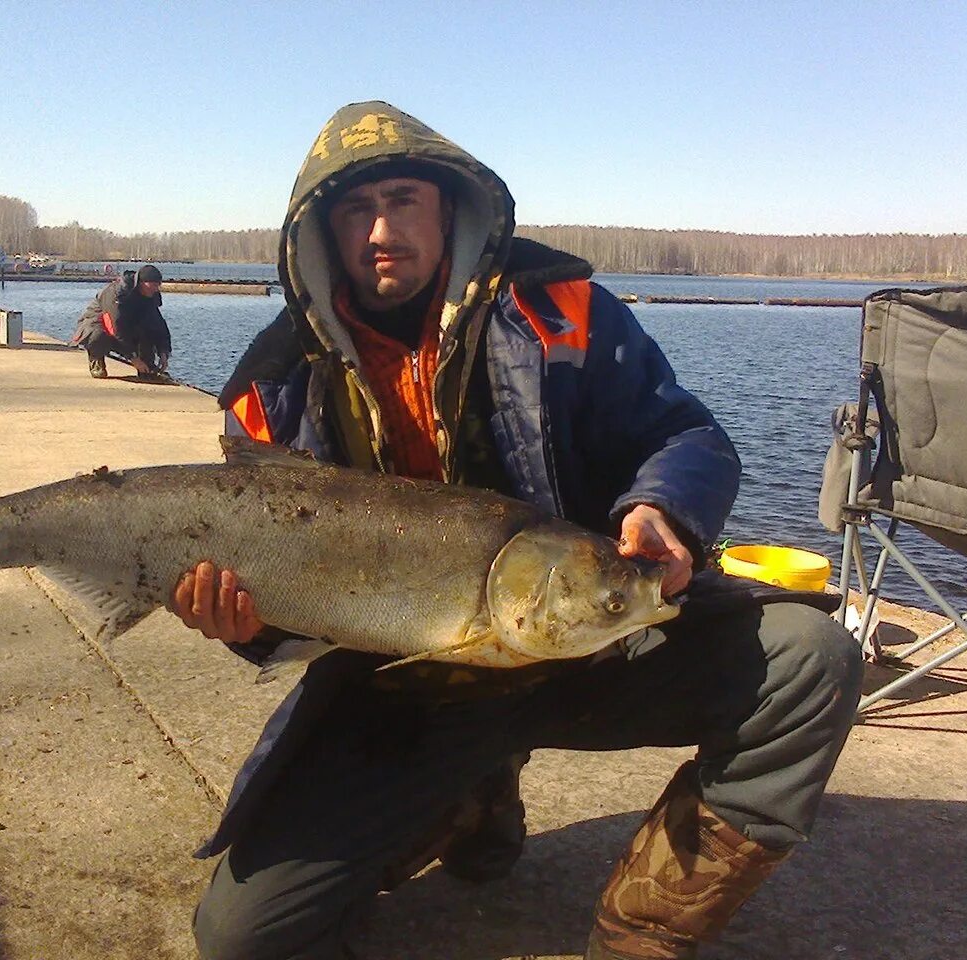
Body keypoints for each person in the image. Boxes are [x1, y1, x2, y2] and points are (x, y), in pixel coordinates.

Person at [174, 101, 863, 960]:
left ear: (448, 208)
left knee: (812, 658)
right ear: (318, 232)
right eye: (356, 210)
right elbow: (279, 606)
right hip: (403, 690)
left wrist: (661, 511)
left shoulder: (563, 310)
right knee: (243, 941)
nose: (382, 229)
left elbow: (686, 434)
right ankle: (469, 788)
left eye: (402, 200)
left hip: (591, 641)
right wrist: (243, 624)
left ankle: (644, 934)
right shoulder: (268, 387)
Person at [71, 264, 172, 378]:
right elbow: (116, 327)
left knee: (147, 329)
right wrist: (133, 358)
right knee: (97, 333)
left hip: (125, 328)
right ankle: (96, 359)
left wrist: (164, 352)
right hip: (101, 324)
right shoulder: (116, 293)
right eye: (154, 285)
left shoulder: (150, 296)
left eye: (158, 285)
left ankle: (148, 367)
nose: (156, 289)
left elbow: (158, 325)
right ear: (142, 282)